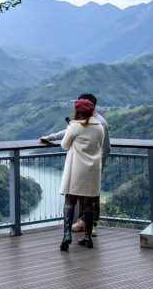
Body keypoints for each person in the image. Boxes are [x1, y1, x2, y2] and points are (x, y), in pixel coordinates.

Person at [40, 98, 105, 250]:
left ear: (78, 111)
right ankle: (88, 238)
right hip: (93, 169)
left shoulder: (75, 126)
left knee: (70, 201)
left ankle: (67, 235)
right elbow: (99, 145)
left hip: (76, 168)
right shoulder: (99, 127)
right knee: (88, 204)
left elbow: (64, 145)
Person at [71, 93, 109, 236]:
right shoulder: (84, 120)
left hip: (94, 165)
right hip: (82, 164)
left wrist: (100, 165)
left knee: (93, 196)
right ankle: (82, 221)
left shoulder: (100, 122)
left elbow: (106, 147)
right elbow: (70, 131)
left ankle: (92, 224)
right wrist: (50, 137)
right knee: (82, 193)